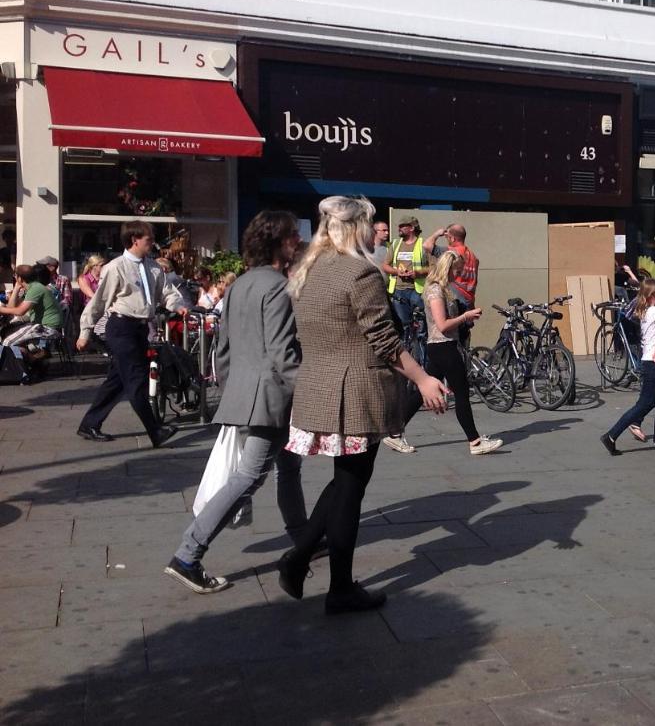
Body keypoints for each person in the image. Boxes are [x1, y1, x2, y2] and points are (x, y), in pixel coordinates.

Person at [278, 196, 447, 615]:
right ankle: (337, 586)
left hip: (319, 386)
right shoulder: (360, 273)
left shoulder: (307, 270)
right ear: (356, 228)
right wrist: (423, 378)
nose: (377, 233)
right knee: (351, 487)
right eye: (372, 225)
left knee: (344, 483)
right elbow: (385, 341)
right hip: (354, 391)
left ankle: (300, 560)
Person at [164, 211, 309, 594]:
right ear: (279, 242)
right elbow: (282, 353)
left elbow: (222, 349)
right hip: (271, 396)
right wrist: (310, 390)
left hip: (247, 392)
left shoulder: (241, 284)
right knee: (248, 476)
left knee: (288, 465)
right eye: (293, 236)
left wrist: (234, 392)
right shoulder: (278, 286)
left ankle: (303, 535)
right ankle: (187, 554)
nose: (298, 241)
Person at [76, 222, 188, 445]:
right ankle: (155, 431)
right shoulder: (115, 267)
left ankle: (89, 424)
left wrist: (178, 305)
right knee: (136, 380)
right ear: (134, 239)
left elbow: (166, 292)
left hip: (139, 328)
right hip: (121, 327)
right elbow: (98, 302)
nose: (152, 241)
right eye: (148, 238)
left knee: (117, 379)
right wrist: (85, 331)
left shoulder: (154, 267)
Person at [383, 250, 502, 456]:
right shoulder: (436, 291)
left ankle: (395, 434)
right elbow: (442, 324)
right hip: (443, 345)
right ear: (448, 269)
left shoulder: (440, 289)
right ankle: (474, 441)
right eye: (457, 270)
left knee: (422, 392)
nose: (459, 274)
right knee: (462, 392)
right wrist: (466, 316)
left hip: (440, 346)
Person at [600, 279, 655, 455]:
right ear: (651, 297)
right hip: (653, 363)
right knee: (644, 403)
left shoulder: (647, 310)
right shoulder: (653, 311)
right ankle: (611, 435)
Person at [0, 263, 64, 383]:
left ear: (19, 277)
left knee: (7, 342)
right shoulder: (32, 287)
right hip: (41, 325)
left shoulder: (36, 289)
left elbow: (19, 311)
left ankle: (28, 366)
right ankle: (34, 360)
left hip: (48, 328)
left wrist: (1, 309)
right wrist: (17, 288)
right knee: (7, 331)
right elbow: (12, 307)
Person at [383, 216, 428, 332]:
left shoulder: (423, 245)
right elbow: (385, 265)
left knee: (421, 328)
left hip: (417, 291)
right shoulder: (395, 244)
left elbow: (434, 267)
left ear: (412, 228)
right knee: (403, 327)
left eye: (403, 226)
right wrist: (397, 272)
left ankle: (420, 349)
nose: (399, 228)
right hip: (399, 291)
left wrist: (417, 273)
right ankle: (406, 349)